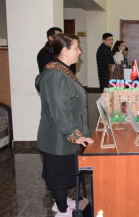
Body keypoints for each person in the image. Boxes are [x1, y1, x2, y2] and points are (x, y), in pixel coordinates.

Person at [35, 34, 93, 216]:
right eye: (76, 48)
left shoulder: (62, 71)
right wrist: (76, 135)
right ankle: (61, 209)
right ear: (65, 51)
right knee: (59, 175)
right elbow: (60, 112)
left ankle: (61, 202)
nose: (79, 52)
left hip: (63, 135)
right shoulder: (56, 76)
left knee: (64, 170)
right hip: (58, 138)